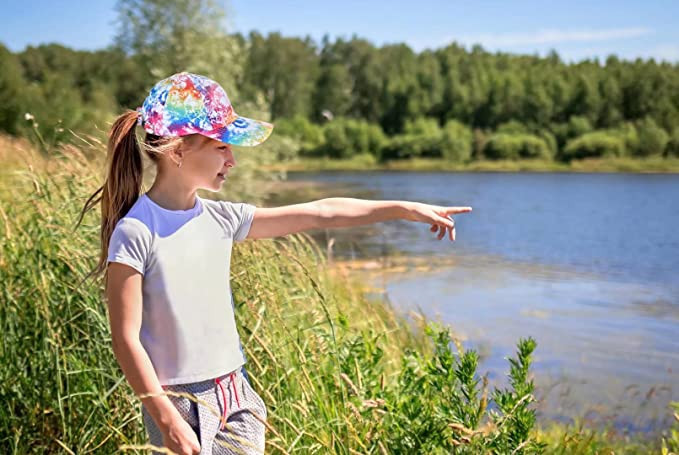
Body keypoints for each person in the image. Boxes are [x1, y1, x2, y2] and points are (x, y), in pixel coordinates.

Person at [77, 71, 472, 455]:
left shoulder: (222, 219)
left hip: (236, 392)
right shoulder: (136, 231)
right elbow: (126, 339)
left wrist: (404, 208)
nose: (231, 160)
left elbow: (323, 212)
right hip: (179, 404)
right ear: (178, 150)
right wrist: (167, 420)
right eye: (221, 147)